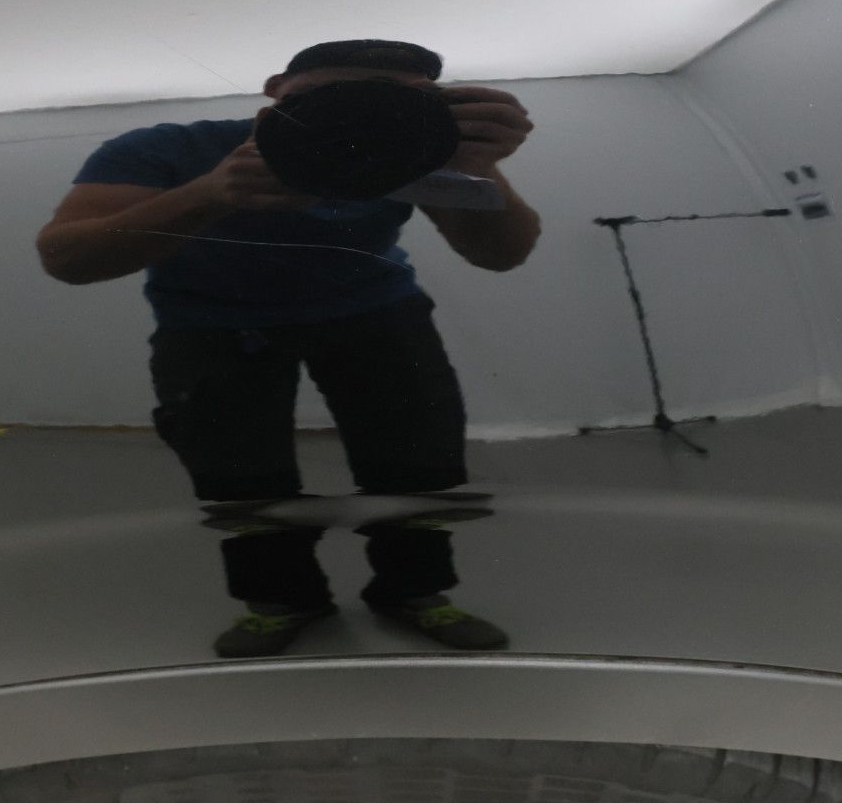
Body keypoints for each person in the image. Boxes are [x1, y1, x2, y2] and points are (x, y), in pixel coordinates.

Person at [36, 39, 540, 657]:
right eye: (332, 95)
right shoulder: (168, 148)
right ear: (274, 89)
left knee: (419, 463)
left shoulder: (409, 147)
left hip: (370, 312)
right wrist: (209, 192)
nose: (355, 113)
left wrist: (472, 165)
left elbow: (500, 255)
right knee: (237, 475)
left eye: (386, 99)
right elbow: (67, 258)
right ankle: (283, 599)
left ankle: (413, 590)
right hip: (212, 322)